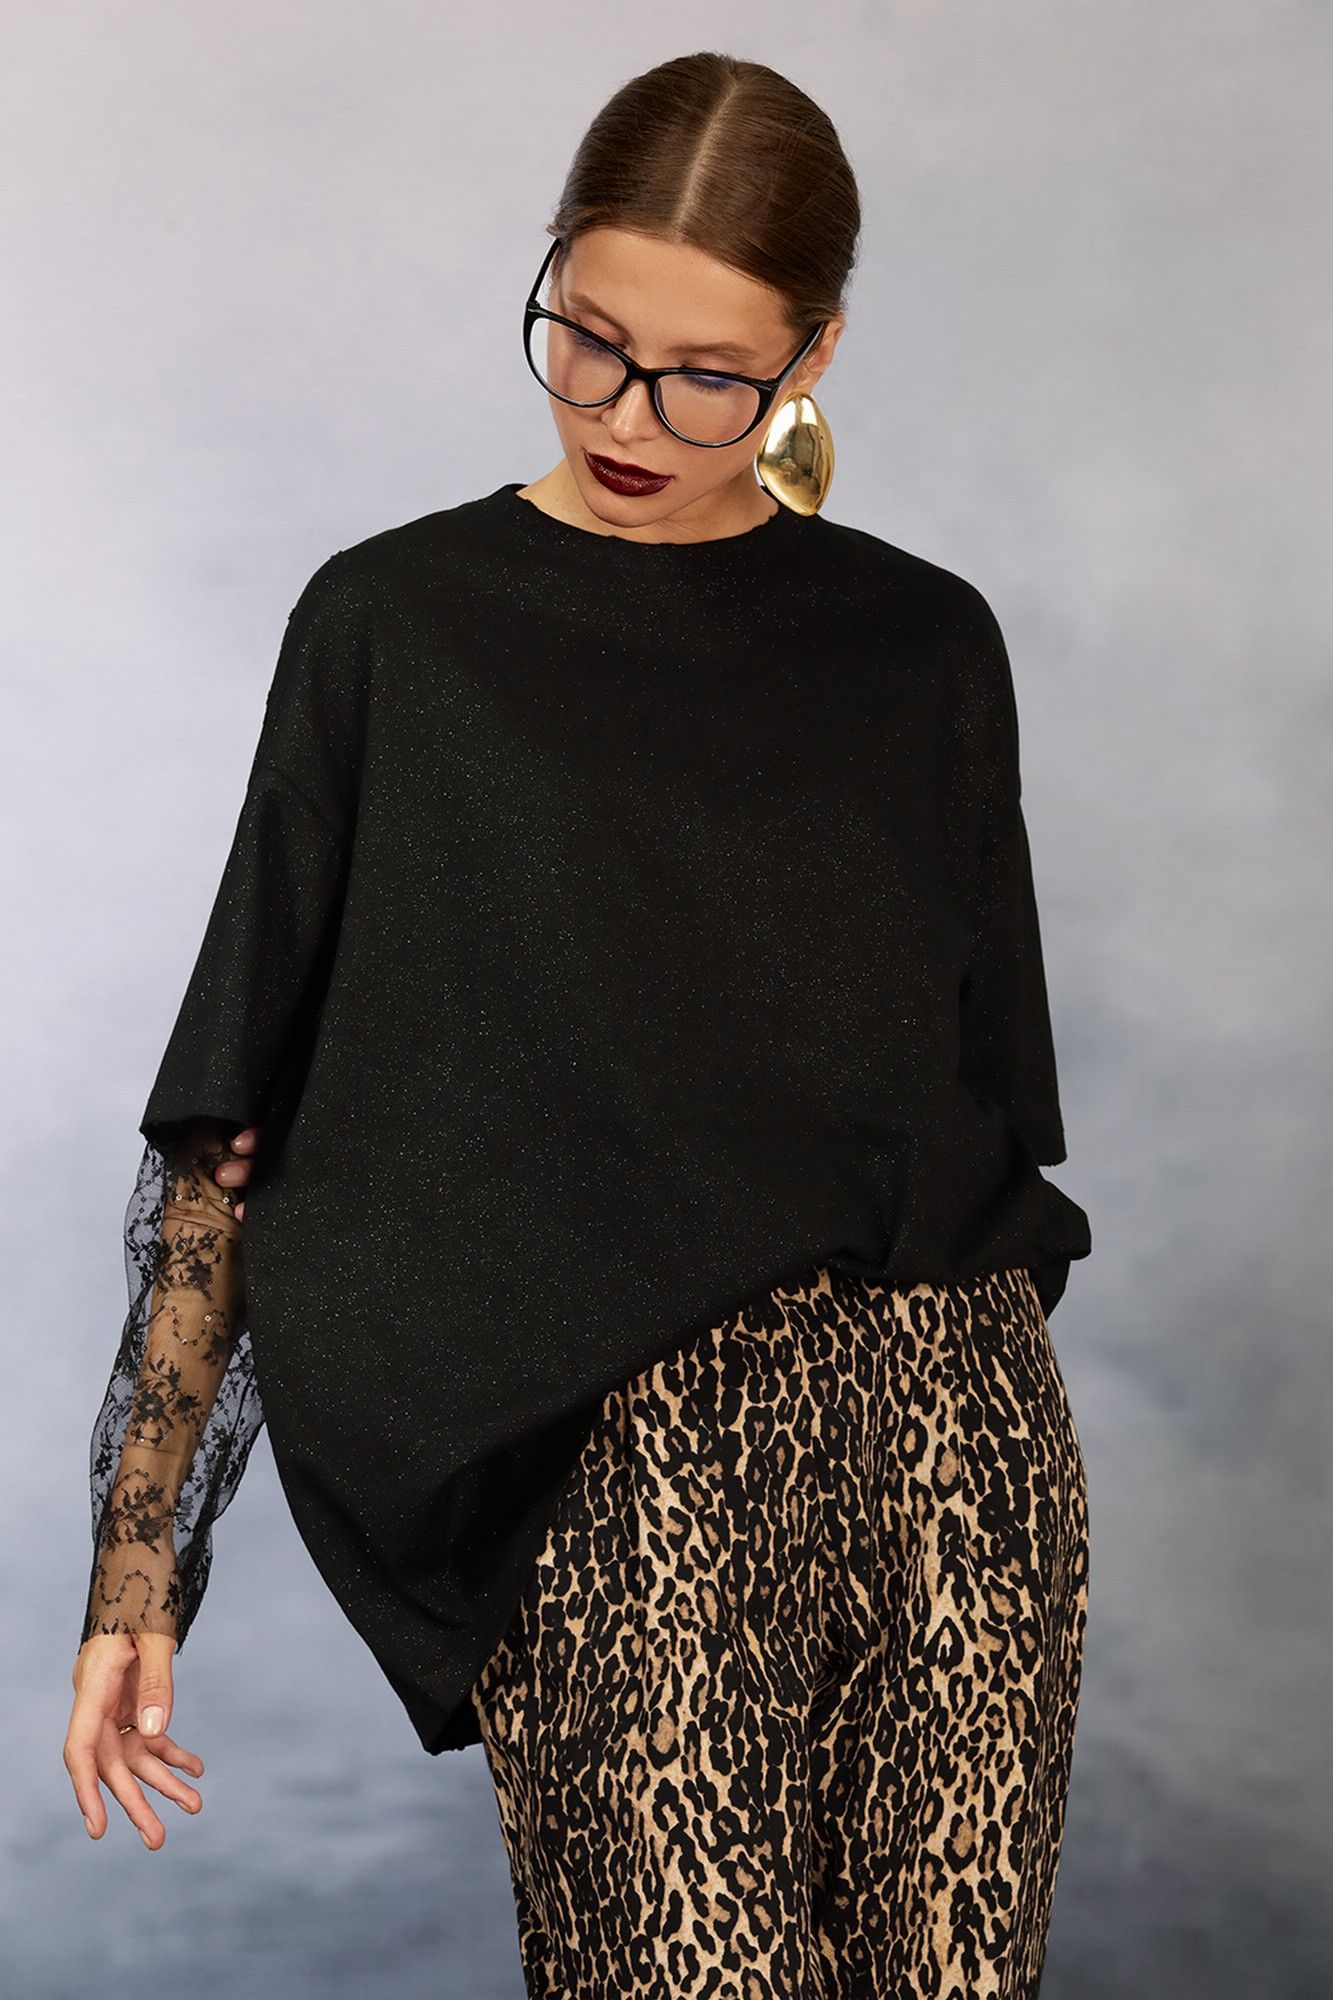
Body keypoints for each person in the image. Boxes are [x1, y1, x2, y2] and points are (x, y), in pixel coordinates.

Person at [64, 50, 1092, 2000]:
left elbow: (975, 1105)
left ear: (814, 354)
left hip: (956, 1455)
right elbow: (229, 1119)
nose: (628, 415)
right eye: (590, 341)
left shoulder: (923, 646)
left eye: (708, 375)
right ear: (550, 269)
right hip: (617, 1474)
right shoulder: (396, 627)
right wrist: (139, 1569)